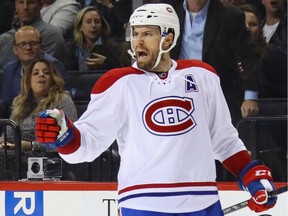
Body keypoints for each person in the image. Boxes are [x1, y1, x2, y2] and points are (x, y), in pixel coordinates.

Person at [35, 3, 277, 215]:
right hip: (142, 203)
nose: (138, 41)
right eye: (135, 33)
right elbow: (88, 143)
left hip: (202, 201)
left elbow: (223, 139)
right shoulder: (118, 83)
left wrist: (249, 173)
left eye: (147, 34)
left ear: (168, 38)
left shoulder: (203, 76)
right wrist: (64, 137)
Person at [166, 0, 262, 126]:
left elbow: (249, 55)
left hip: (218, 94)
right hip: (175, 93)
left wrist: (250, 97)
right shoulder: (167, 11)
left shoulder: (230, 15)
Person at [0, 58, 77, 180]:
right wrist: (2, 143)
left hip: (49, 159)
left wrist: (31, 145)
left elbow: (69, 138)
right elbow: (8, 135)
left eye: (46, 72)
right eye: (35, 73)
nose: (41, 75)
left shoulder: (62, 100)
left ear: (52, 78)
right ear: (28, 80)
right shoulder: (20, 103)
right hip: (17, 158)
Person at [0, 26, 68, 121]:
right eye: (22, 44)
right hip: (15, 122)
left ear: (41, 47)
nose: (28, 48)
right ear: (15, 49)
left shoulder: (53, 66)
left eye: (33, 43)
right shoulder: (10, 69)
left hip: (44, 121)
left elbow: (59, 101)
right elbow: (5, 104)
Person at [0, 0, 65, 69]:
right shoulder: (4, 38)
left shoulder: (51, 35)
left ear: (41, 5)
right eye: (21, 2)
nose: (25, 7)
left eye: (31, 2)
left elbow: (44, 73)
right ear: (15, 5)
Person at [240, 4, 287, 98]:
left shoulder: (275, 54)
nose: (247, 29)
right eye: (242, 24)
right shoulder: (225, 56)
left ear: (260, 29)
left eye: (253, 24)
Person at [64, 6, 131, 71]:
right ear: (80, 27)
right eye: (88, 22)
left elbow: (121, 71)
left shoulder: (112, 48)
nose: (93, 25)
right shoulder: (71, 49)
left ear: (102, 26)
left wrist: (105, 63)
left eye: (97, 21)